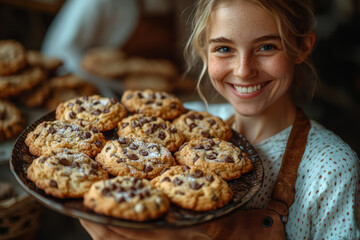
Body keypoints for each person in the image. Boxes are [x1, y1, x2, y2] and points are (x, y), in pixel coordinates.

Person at [80, 0, 360, 239]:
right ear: (204, 50)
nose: (243, 70)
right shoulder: (179, 128)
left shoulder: (332, 168)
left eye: (266, 47)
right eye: (224, 49)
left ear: (302, 47)